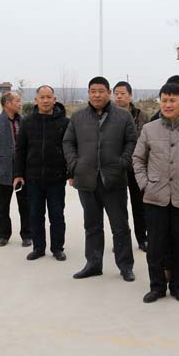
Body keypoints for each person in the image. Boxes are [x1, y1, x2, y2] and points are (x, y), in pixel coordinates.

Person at [133, 83, 179, 303]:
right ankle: (157, 287)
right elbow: (138, 159)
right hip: (155, 197)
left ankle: (178, 287)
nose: (167, 104)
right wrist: (145, 185)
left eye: (172, 100)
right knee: (155, 248)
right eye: (164, 100)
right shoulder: (149, 129)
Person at [63, 76, 137, 281]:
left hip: (114, 180)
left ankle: (125, 266)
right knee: (92, 225)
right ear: (88, 93)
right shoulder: (78, 117)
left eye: (101, 91)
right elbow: (68, 142)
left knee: (120, 226)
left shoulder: (123, 116)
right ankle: (93, 264)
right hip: (87, 180)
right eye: (93, 91)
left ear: (108, 93)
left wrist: (123, 162)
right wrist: (75, 165)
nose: (96, 95)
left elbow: (132, 141)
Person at [13, 85, 70, 261]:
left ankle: (57, 248)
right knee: (35, 215)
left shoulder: (65, 122)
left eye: (49, 97)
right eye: (42, 97)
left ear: (54, 99)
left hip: (56, 178)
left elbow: (70, 149)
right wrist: (18, 173)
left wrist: (70, 173)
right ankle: (38, 248)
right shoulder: (27, 122)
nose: (45, 100)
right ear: (36, 100)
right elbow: (20, 149)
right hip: (33, 178)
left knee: (57, 215)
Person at [0, 91, 31, 247]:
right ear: (8, 103)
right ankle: (3, 235)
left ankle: (27, 235)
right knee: (3, 205)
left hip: (23, 171)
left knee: (25, 205)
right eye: (17, 100)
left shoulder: (25, 121)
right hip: (3, 170)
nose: (20, 103)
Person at [113, 80, 148, 251]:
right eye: (116, 94)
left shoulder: (141, 116)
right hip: (116, 166)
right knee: (118, 206)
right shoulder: (108, 115)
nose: (119, 97)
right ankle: (120, 240)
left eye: (123, 93)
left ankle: (142, 238)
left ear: (130, 96)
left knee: (139, 204)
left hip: (137, 166)